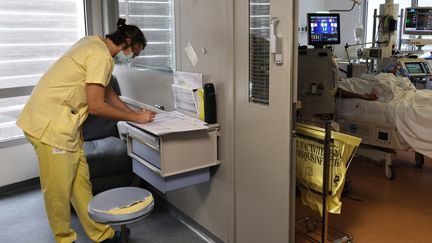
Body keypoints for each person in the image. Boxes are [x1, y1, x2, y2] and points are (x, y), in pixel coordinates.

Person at [16, 19, 155, 243]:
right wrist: (135, 117)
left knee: (80, 184)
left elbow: (108, 94)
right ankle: (64, 239)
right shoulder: (100, 56)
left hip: (65, 126)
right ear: (126, 42)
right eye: (134, 54)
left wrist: (134, 113)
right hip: (50, 128)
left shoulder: (92, 44)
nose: (131, 59)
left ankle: (101, 235)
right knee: (58, 191)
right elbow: (97, 106)